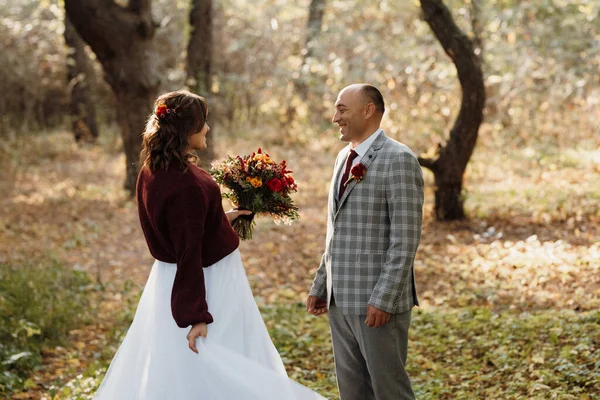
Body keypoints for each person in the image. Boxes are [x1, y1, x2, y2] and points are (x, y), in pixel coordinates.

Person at [95, 90, 325, 400]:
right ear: (185, 129)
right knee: (217, 358)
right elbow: (189, 251)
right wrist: (197, 316)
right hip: (207, 283)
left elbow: (183, 230)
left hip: (170, 281)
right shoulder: (185, 184)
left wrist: (222, 217)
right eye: (203, 122)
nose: (207, 129)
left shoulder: (153, 170)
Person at [307, 84, 424, 400]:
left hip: (376, 302)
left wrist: (384, 298)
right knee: (353, 392)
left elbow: (405, 238)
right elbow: (338, 231)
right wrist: (321, 285)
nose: (335, 118)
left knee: (390, 391)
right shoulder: (343, 158)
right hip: (339, 300)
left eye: (342, 109)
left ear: (368, 110)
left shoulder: (399, 159)